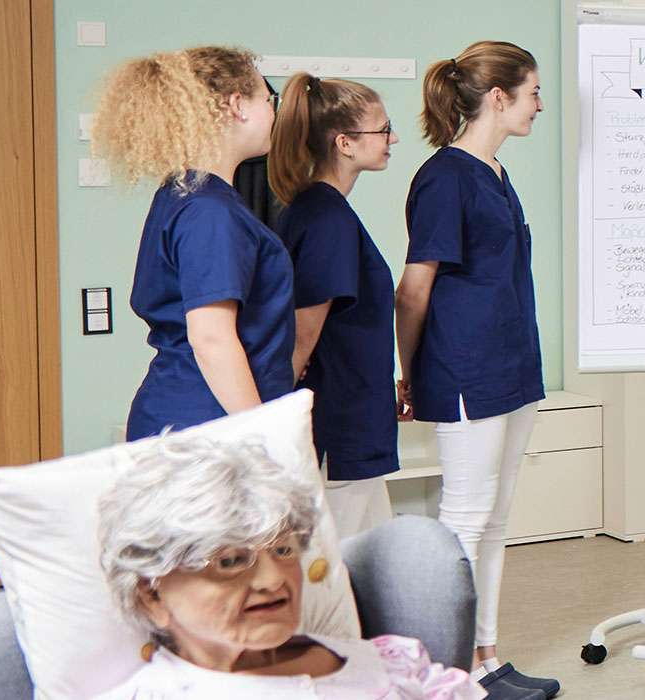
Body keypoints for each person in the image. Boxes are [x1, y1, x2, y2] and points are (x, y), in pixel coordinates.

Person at [395, 41, 557, 698]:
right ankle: (446, 671)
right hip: (466, 369)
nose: (540, 105)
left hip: (512, 367)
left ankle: (485, 656)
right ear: (500, 98)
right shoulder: (443, 178)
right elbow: (412, 290)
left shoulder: (493, 172)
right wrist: (410, 371)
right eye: (534, 93)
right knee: (463, 517)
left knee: (495, 515)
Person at [93, 437, 483, 699]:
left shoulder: (390, 662)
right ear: (152, 593)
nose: (272, 580)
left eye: (283, 551)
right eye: (231, 561)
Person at [93, 47, 296, 441]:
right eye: (269, 100)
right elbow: (212, 338)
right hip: (207, 425)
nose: (274, 113)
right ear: (238, 105)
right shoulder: (210, 211)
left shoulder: (184, 193)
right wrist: (263, 437)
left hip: (190, 416)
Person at [268, 72, 403, 538]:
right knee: (333, 566)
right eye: (382, 129)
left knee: (375, 561)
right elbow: (303, 334)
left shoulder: (316, 210)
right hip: (340, 420)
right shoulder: (327, 220)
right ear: (345, 142)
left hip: (356, 411)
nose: (393, 138)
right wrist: (273, 422)